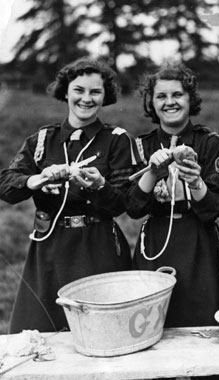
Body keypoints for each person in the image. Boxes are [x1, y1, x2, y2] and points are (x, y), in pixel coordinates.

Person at [0, 57, 135, 333]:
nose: (86, 98)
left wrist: (100, 187)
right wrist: (35, 180)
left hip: (97, 247)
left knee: (103, 334)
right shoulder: (41, 140)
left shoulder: (117, 140)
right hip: (49, 249)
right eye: (79, 90)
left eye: (95, 92)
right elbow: (6, 186)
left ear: (105, 96)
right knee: (43, 335)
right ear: (65, 92)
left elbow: (123, 203)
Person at [126, 64, 219, 328]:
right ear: (151, 102)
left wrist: (195, 181)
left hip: (198, 241)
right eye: (161, 96)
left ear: (190, 98)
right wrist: (152, 173)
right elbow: (134, 209)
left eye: (177, 95)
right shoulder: (141, 145)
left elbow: (212, 211)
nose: (169, 102)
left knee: (200, 319)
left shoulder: (210, 142)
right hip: (156, 240)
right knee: (151, 321)